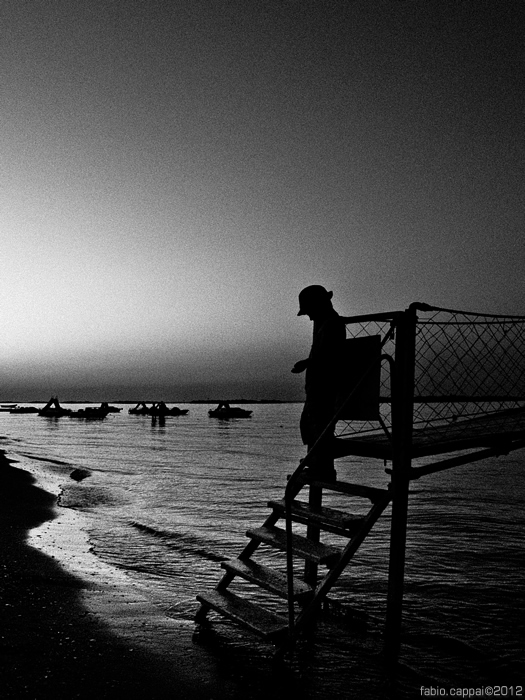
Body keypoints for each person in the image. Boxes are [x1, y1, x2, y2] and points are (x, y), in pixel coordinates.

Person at [292, 285, 346, 480]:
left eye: (309, 312)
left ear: (319, 305)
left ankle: (322, 468)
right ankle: (316, 463)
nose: (309, 317)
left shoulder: (332, 324)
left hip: (324, 390)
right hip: (317, 389)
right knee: (311, 426)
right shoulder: (324, 324)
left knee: (319, 428)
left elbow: (328, 357)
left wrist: (307, 363)